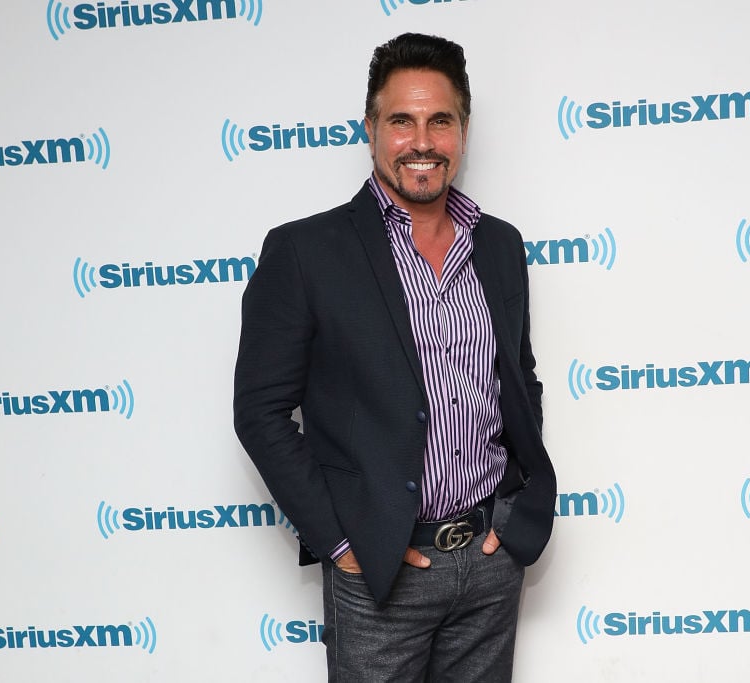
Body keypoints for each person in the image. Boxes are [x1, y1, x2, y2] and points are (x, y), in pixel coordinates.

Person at [233, 32, 555, 682]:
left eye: (441, 121)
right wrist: (342, 542)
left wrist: (514, 517)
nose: (422, 142)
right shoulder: (306, 252)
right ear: (371, 130)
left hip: (490, 562)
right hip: (379, 571)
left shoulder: (498, 244)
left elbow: (518, 381)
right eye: (402, 121)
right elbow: (260, 413)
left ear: (464, 130)